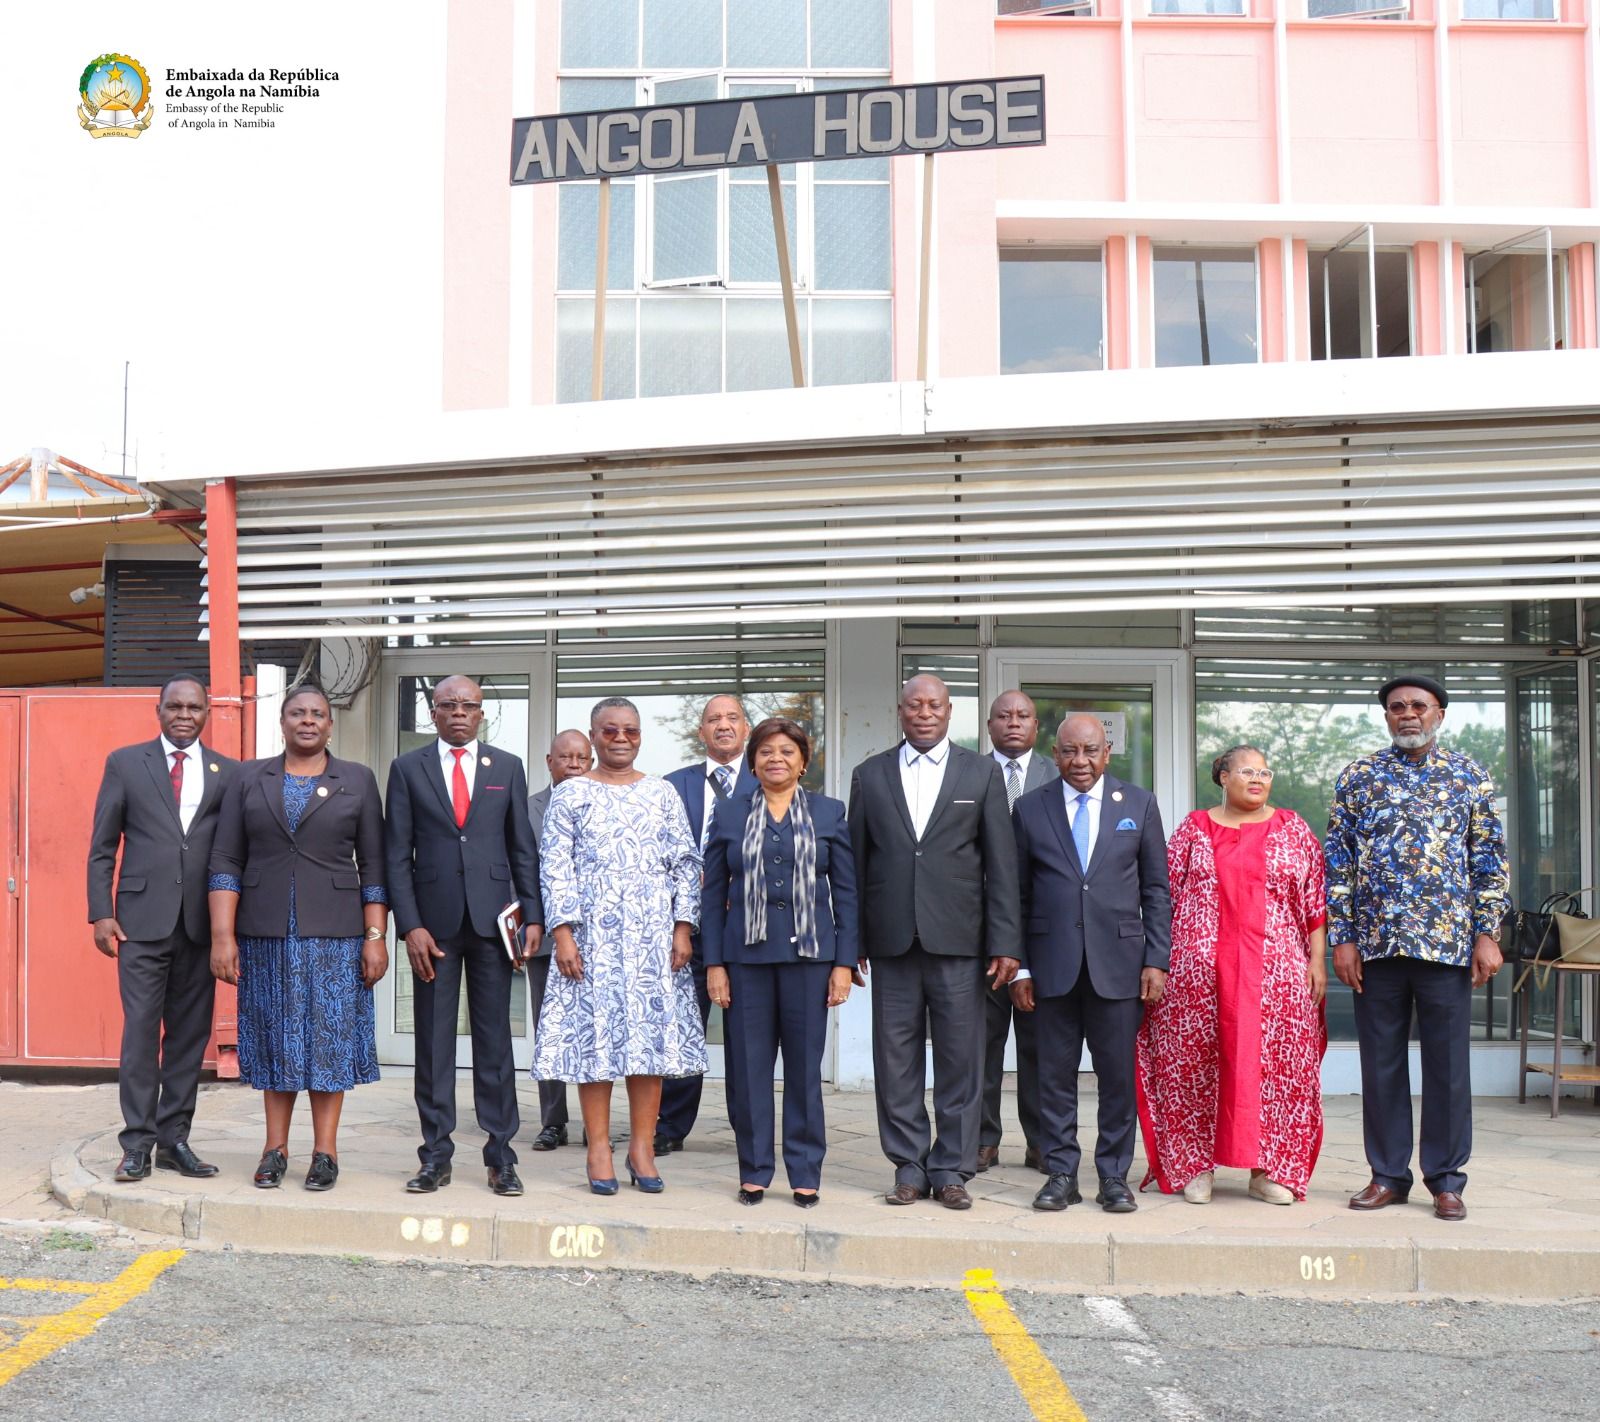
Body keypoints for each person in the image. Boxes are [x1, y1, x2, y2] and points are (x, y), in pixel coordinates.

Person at [1326, 673, 1509, 1223]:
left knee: (1448, 1067)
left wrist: (1487, 932)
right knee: (1380, 1066)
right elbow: (1339, 862)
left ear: (1440, 714)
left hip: (1447, 945)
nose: (1408, 714)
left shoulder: (1469, 776)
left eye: (1419, 706)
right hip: (1377, 946)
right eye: (1397, 707)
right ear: (1386, 717)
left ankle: (1447, 1180)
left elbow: (1489, 858)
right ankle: (1387, 1175)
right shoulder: (1359, 777)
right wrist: (1345, 936)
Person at [848, 674, 1020, 1211]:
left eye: (935, 705)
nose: (925, 713)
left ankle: (951, 1168)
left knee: (960, 1060)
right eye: (914, 705)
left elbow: (1001, 866)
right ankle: (907, 1164)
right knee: (894, 1058)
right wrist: (850, 941)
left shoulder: (981, 771)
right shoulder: (870, 774)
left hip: (960, 941)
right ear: (900, 711)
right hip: (892, 941)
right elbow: (855, 866)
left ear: (950, 712)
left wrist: (1005, 942)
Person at [208, 684, 388, 1192]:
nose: (307, 721)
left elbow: (374, 865)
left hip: (336, 935)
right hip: (264, 934)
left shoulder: (356, 779)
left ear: (330, 725)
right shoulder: (248, 778)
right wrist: (223, 935)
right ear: (282, 722)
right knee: (274, 1042)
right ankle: (274, 1149)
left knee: (328, 1044)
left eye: (317, 715)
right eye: (297, 713)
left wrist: (375, 936)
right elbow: (225, 860)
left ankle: (325, 1153)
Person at [1136, 745, 1328, 1206]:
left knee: (1280, 1071)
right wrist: (1156, 960)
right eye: (1246, 771)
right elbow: (1162, 897)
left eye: (1265, 772)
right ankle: (1193, 1167)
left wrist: (1316, 961)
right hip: (1196, 978)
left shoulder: (1293, 829)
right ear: (1222, 777)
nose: (1258, 779)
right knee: (1192, 1067)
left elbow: (1316, 902)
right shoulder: (1193, 830)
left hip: (1277, 976)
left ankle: (1271, 1170)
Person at [532, 697, 705, 1195]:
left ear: (640, 736)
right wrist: (562, 931)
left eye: (630, 730)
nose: (621, 738)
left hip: (653, 940)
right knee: (597, 1047)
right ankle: (599, 1147)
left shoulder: (662, 793)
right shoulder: (571, 795)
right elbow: (555, 866)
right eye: (610, 731)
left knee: (648, 1050)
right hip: (591, 942)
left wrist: (681, 927)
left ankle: (642, 1147)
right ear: (594, 736)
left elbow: (685, 863)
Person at [385, 675, 543, 1198]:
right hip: (434, 927)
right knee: (432, 1044)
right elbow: (395, 855)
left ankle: (501, 1156)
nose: (458, 713)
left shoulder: (508, 767)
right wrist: (409, 925)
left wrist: (533, 918)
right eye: (448, 705)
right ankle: (435, 1157)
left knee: (495, 1042)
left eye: (468, 705)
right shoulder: (408, 769)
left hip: (494, 926)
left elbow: (523, 850)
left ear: (481, 713)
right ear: (433, 713)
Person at [1011, 714, 1170, 1214]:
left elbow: (1156, 890)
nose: (1080, 761)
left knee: (1117, 1077)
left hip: (1120, 967)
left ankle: (1113, 1176)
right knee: (1052, 1078)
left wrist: (1156, 959)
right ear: (1054, 754)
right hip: (1051, 966)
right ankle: (1060, 1173)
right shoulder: (1030, 808)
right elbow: (1015, 894)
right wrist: (1020, 967)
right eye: (1069, 752)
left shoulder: (1139, 804)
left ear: (1107, 753)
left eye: (1090, 751)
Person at [88, 674, 240, 1183]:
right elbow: (103, 844)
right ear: (158, 711)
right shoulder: (126, 762)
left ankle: (175, 1140)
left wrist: (231, 927)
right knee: (139, 1034)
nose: (183, 715)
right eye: (174, 706)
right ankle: (136, 1145)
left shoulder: (227, 772)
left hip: (199, 925)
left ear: (205, 714)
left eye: (193, 708)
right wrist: (101, 912)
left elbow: (231, 852)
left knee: (188, 1038)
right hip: (139, 923)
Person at [702, 718, 857, 1208]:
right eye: (766, 751)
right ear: (753, 761)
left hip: (810, 961)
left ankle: (805, 1171)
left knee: (805, 1071)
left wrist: (843, 963)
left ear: (803, 762)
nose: (776, 759)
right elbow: (710, 895)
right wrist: (715, 964)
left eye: (787, 752)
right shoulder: (728, 814)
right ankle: (754, 1170)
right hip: (744, 962)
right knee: (748, 1072)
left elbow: (847, 895)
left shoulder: (830, 813)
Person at [659, 694, 757, 1153]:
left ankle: (749, 1131)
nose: (723, 726)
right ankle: (669, 1128)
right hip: (687, 931)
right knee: (681, 1029)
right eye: (714, 720)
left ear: (746, 729)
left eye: (732, 718)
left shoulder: (766, 784)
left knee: (745, 1039)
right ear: (701, 732)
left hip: (745, 933)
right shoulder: (671, 786)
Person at [979, 690, 1055, 1174]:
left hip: (1044, 934)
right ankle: (982, 1140)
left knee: (1040, 1047)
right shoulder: (968, 771)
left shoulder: (1058, 774)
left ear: (1036, 726)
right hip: (978, 935)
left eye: (1022, 716)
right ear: (989, 725)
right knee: (980, 1046)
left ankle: (1041, 1140)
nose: (1013, 723)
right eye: (1003, 716)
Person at [524, 728, 592, 1151]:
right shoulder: (528, 808)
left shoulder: (604, 802)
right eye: (565, 757)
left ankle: (595, 1122)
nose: (573, 764)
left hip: (598, 939)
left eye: (581, 758)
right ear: (549, 761)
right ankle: (554, 1121)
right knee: (548, 1029)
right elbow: (519, 869)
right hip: (544, 936)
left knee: (592, 1030)